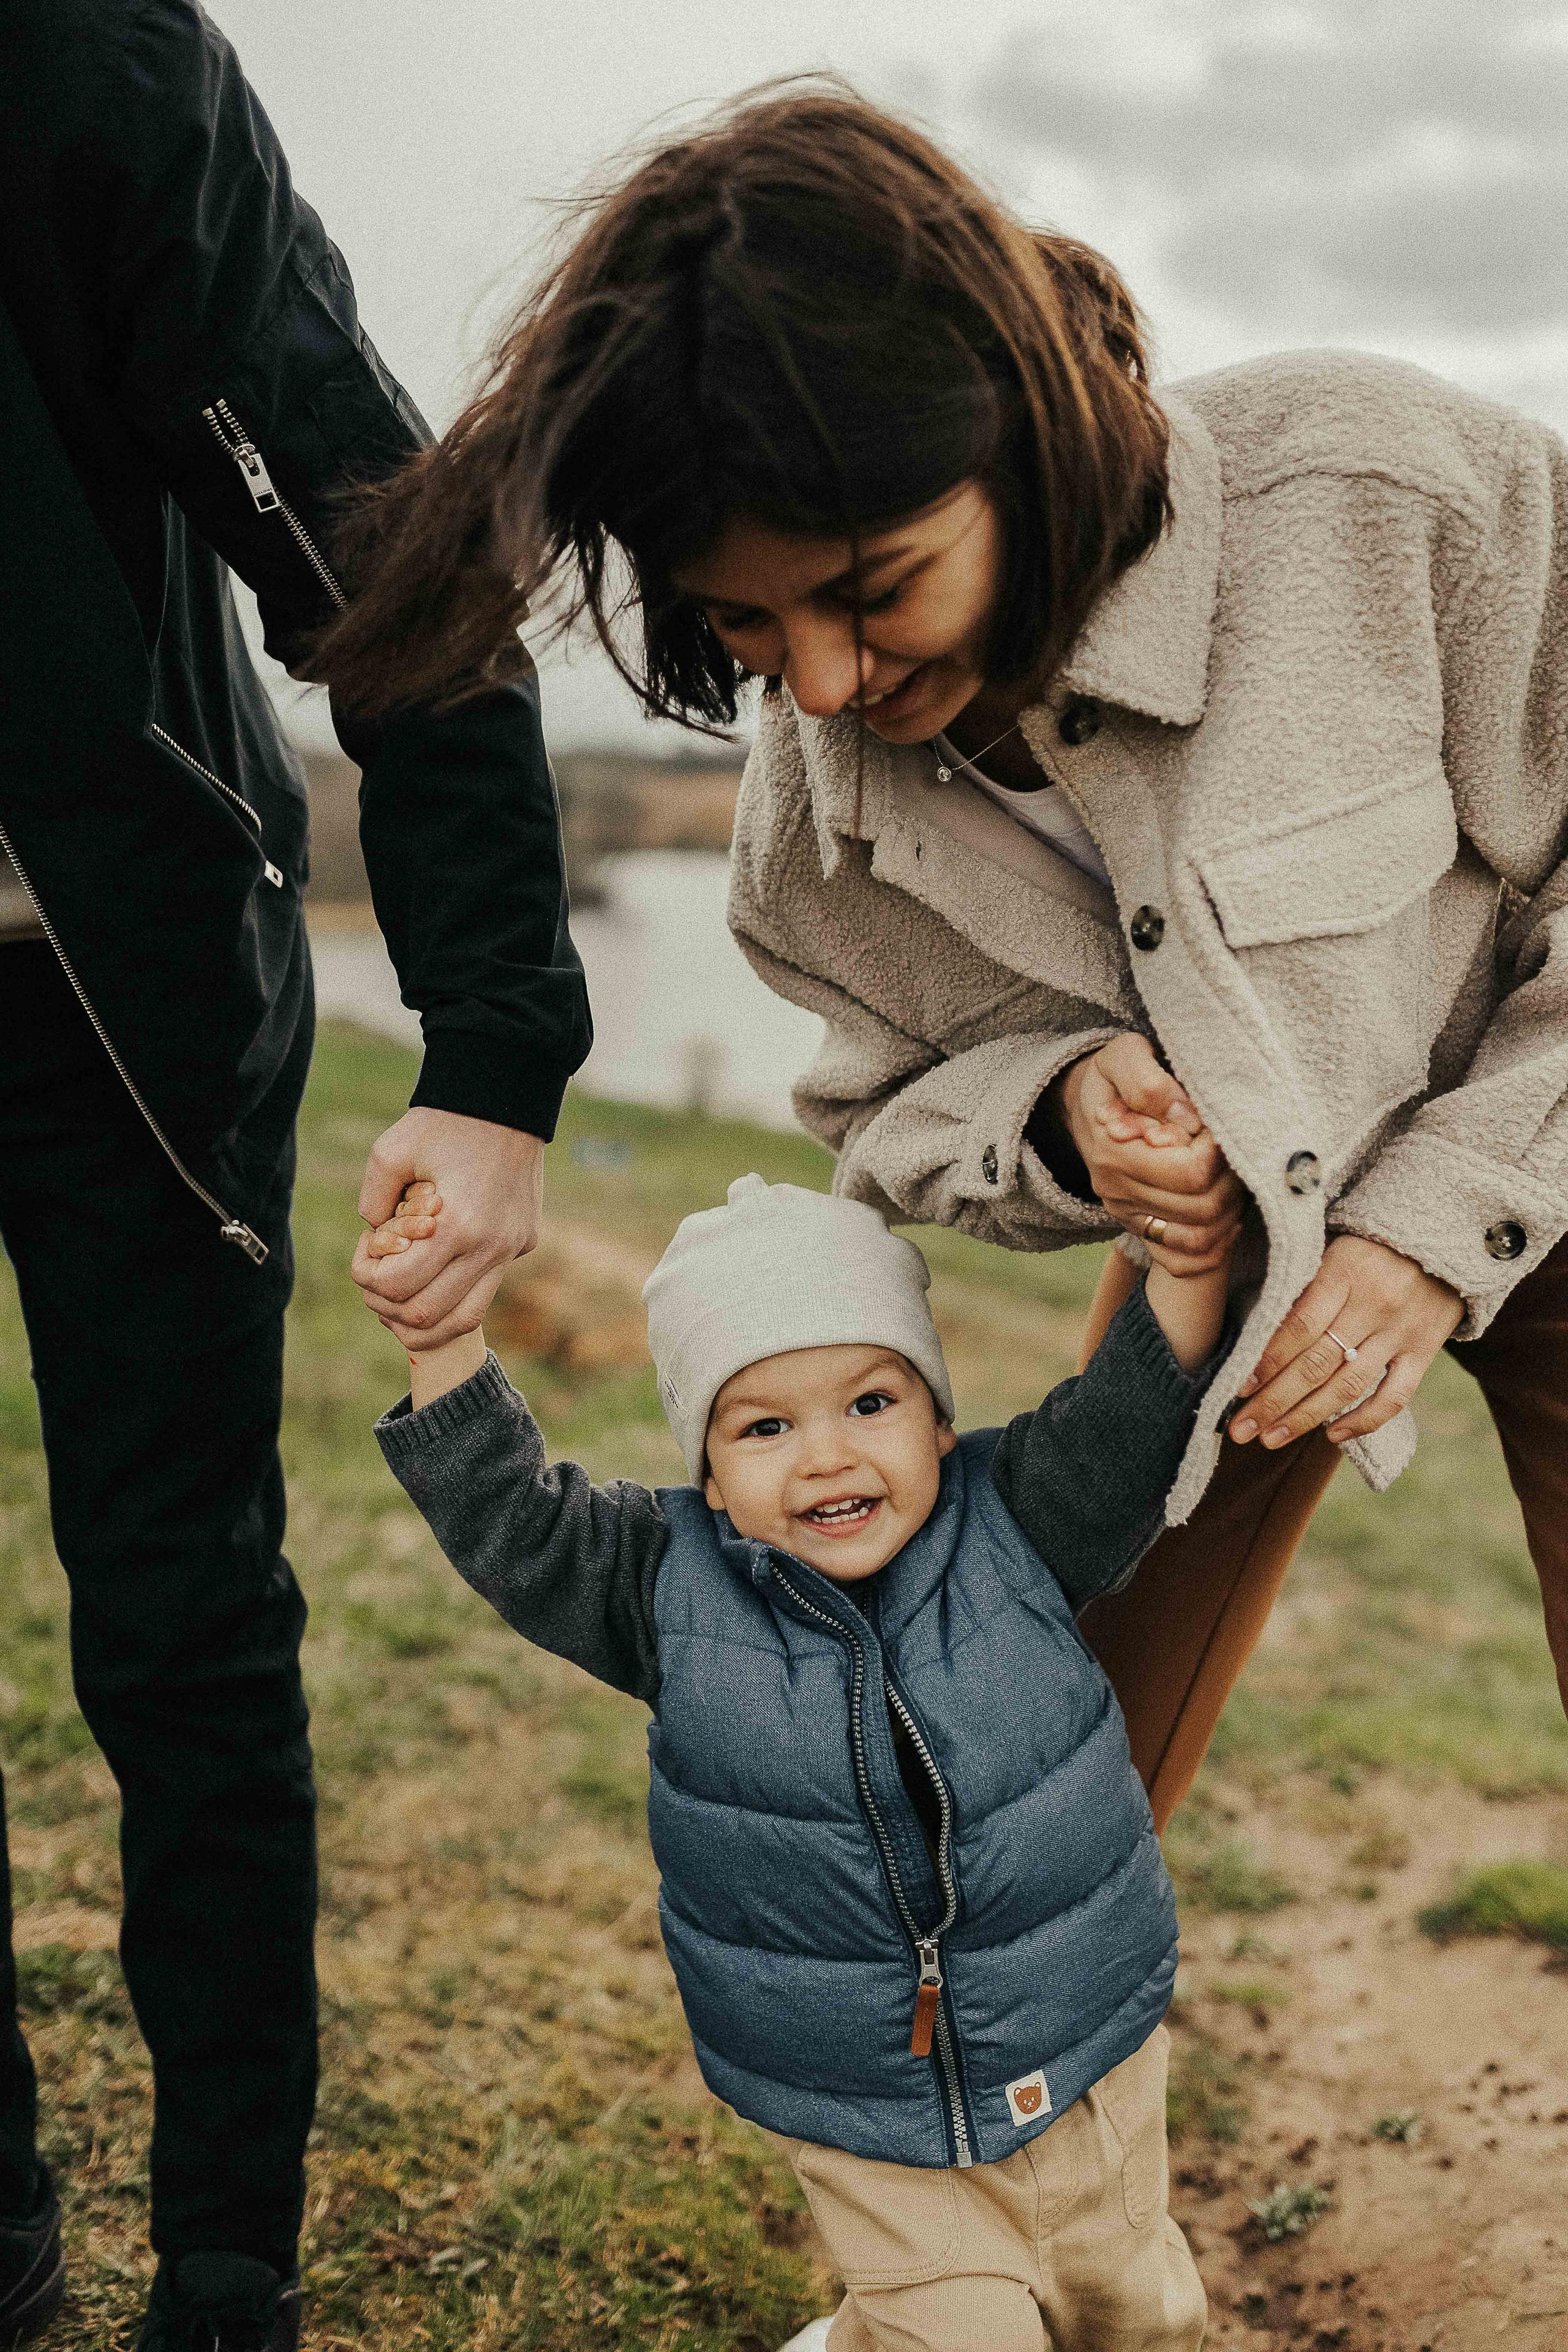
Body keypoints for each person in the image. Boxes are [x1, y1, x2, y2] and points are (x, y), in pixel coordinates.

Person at [309, 85, 1568, 1842]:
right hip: (1219, 1273)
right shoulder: (805, 835)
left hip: (1549, 1139)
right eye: (745, 624)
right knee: (1016, 1773)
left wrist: (1434, 1224)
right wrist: (1056, 1119)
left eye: (873, 588)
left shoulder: (1391, 492)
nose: (820, 685)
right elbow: (879, 1118)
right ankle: (1000, 2105)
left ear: (1022, 433)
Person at [0, 2, 587, 2343]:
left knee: (180, 1612)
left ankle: (228, 2255)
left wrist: (501, 1049)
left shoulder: (90, 79)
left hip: (113, 982)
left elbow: (386, 546)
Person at [370, 1168, 1231, 2352]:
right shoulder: (667, 1586)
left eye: (870, 1403)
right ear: (710, 1474)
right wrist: (441, 1339)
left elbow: (1136, 1417)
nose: (826, 1457)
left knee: (1139, 2318)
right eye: (766, 1426)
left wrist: (1186, 1259)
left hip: (1080, 2045)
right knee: (965, 2340)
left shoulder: (1024, 1521)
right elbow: (515, 1522)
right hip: (860, 2090)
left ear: (937, 1416)